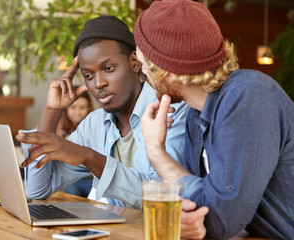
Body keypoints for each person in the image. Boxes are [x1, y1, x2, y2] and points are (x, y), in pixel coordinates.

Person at [16, 15, 208, 239]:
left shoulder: (170, 109)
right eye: (88, 75)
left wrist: (89, 157)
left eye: (108, 68)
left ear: (135, 62)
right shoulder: (94, 124)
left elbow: (164, 195)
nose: (98, 84)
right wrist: (52, 111)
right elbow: (37, 191)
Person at [134, 0, 294, 239]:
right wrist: (192, 220)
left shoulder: (249, 96)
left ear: (167, 70)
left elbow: (219, 221)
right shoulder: (195, 116)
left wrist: (155, 151)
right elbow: (202, 211)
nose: (143, 72)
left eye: (145, 65)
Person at [58, 91, 94, 197]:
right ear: (66, 109)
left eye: (82, 107)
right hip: (66, 177)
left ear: (88, 108)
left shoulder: (92, 127)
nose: (78, 112)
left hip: (87, 177)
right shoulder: (59, 126)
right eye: (73, 107)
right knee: (73, 193)